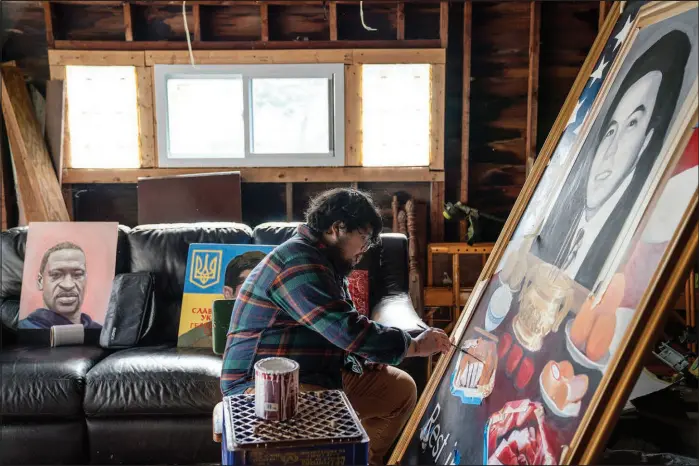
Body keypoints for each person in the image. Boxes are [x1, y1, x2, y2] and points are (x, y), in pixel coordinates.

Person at [221, 188, 451, 465]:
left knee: (398, 390)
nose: (364, 249)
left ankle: (366, 461)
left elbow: (331, 328)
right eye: (363, 237)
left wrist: (361, 357)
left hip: (309, 372)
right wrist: (413, 345)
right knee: (321, 433)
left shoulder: (323, 261)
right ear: (337, 228)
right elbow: (345, 328)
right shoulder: (298, 262)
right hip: (260, 386)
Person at [531, 29, 692, 292]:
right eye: (610, 130)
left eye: (632, 125)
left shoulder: (630, 246)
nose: (609, 151)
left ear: (647, 141)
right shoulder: (557, 231)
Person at [178, 251, 268, 347]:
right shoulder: (192, 341)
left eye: (268, 287)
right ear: (228, 293)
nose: (261, 297)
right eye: (250, 289)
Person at [19, 241, 102, 330]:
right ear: (40, 281)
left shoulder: (101, 333)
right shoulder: (24, 330)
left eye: (77, 274)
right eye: (56, 275)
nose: (68, 285)